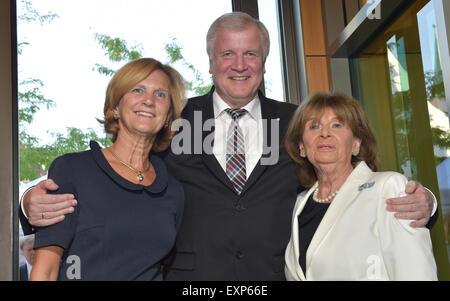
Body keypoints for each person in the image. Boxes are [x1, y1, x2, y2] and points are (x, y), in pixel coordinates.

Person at [21, 12, 437, 281]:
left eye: (250, 54)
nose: (239, 65)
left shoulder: (299, 123)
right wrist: (28, 203)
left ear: (264, 62)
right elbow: (114, 176)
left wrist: (426, 203)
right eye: (227, 54)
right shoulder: (172, 118)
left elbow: (342, 184)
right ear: (210, 62)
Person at [29, 58, 185, 280]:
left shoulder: (172, 189)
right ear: (115, 107)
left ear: (169, 115)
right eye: (138, 90)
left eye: (160, 94)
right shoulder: (73, 170)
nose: (149, 100)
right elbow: (46, 270)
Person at [284, 92, 437, 280]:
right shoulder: (300, 204)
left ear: (356, 143)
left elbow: (417, 274)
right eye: (314, 126)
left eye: (337, 125)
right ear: (301, 146)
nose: (324, 133)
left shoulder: (387, 188)